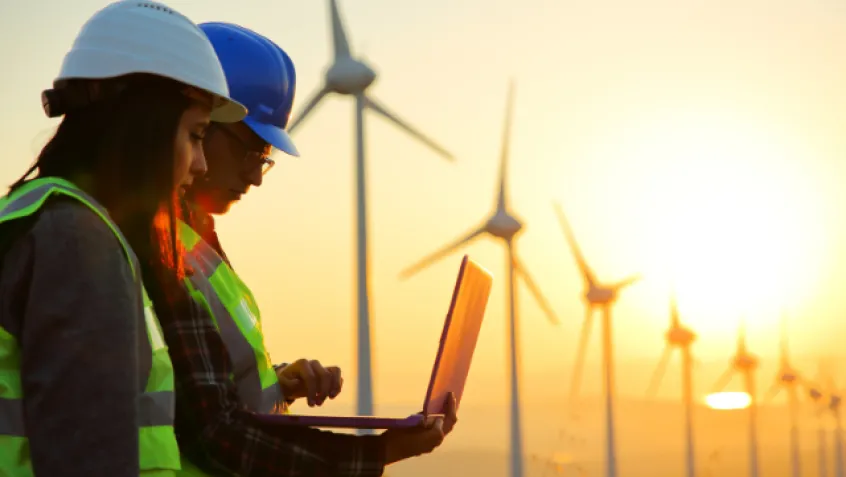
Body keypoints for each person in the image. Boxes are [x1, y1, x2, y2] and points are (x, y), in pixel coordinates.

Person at [151, 22, 457, 477]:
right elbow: (212, 431)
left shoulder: (198, 241)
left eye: (265, 161)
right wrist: (379, 453)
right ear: (198, 123)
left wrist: (277, 384)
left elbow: (203, 383)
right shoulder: (153, 246)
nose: (256, 177)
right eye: (252, 151)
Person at [0, 2, 246, 476]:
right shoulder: (78, 241)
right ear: (146, 126)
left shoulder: (35, 218)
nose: (202, 165)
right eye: (196, 135)